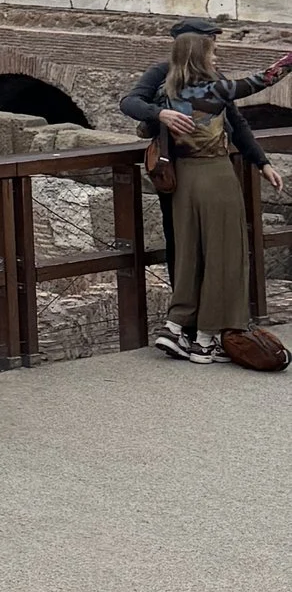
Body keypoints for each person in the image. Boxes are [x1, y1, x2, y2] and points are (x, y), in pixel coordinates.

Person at [121, 18, 292, 359]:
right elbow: (266, 79)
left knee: (188, 253)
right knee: (222, 254)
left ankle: (177, 328)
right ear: (199, 49)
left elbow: (237, 125)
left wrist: (261, 161)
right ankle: (204, 337)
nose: (218, 53)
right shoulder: (209, 85)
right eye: (213, 46)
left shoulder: (174, 87)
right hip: (210, 175)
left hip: (183, 177)